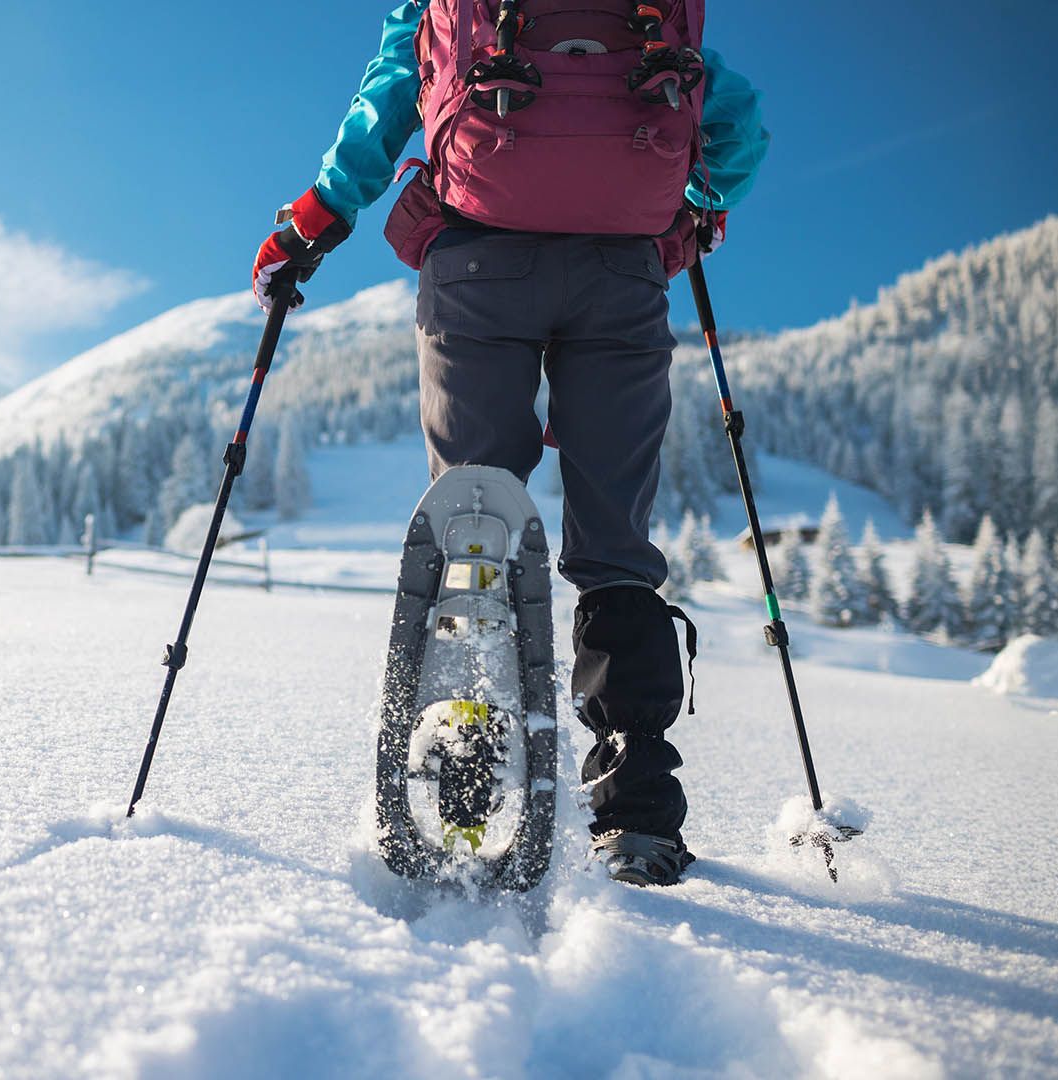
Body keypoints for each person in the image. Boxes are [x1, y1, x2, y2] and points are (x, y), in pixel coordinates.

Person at [251, 0, 768, 886]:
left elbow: (392, 97)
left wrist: (315, 218)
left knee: (474, 518)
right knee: (614, 548)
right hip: (624, 269)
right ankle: (635, 807)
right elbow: (734, 117)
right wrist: (702, 202)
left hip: (478, 264)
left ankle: (465, 779)